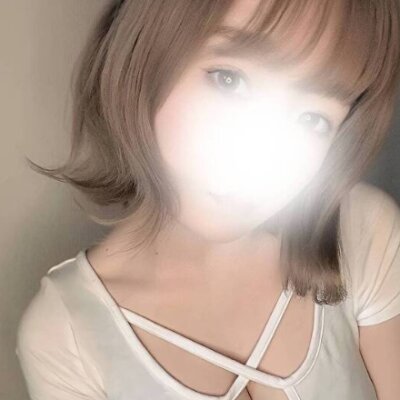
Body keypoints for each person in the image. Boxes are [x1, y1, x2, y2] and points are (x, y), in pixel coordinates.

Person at [15, 1, 400, 399]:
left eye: (312, 119)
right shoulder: (67, 333)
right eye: (229, 80)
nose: (261, 151)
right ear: (148, 54)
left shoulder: (360, 228)